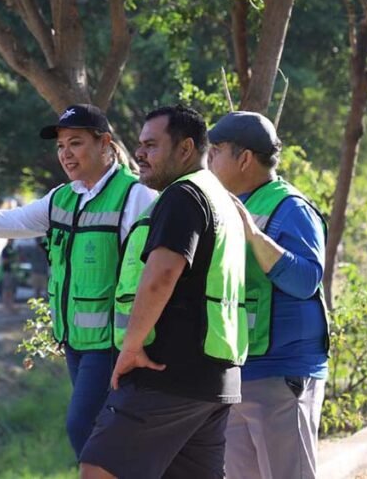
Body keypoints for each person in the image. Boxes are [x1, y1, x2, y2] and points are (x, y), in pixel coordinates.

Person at [0, 104, 157, 458]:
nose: (66, 154)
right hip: (73, 342)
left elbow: (157, 269)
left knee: (82, 426)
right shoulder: (62, 198)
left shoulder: (135, 195)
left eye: (75, 143)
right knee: (100, 429)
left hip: (112, 343)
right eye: (61, 146)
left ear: (104, 143)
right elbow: (12, 220)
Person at [80, 105, 248, 479]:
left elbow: (161, 276)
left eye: (151, 145)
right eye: (140, 145)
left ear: (185, 148)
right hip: (213, 376)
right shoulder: (218, 197)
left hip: (166, 371)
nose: (139, 153)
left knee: (99, 468)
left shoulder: (183, 196)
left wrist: (130, 347)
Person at [206, 111, 330, 479]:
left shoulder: (291, 208)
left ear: (244, 158)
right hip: (237, 369)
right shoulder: (222, 205)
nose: (208, 160)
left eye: (216, 151)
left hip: (282, 373)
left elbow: (307, 279)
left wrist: (255, 237)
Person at [0, 240, 18, 312]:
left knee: (11, 290)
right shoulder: (5, 249)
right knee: (6, 289)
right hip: (7, 272)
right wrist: (12, 259)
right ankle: (5, 306)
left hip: (12, 271)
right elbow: (5, 260)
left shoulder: (12, 248)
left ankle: (11, 305)